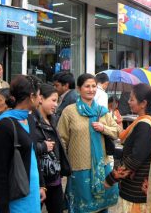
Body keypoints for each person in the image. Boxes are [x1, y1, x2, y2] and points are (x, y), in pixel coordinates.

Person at [0, 75, 46, 213]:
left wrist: (41, 185)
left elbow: (32, 155)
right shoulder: (5, 125)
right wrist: (4, 208)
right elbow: (0, 169)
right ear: (32, 96)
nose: (41, 100)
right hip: (14, 199)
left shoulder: (29, 118)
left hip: (30, 192)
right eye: (39, 95)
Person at [104, 83, 151, 212]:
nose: (129, 102)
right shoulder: (145, 121)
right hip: (137, 187)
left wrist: (111, 179)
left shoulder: (145, 126)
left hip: (136, 191)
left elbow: (135, 160)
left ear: (143, 103)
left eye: (132, 99)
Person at [58, 73, 121, 213]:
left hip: (101, 167)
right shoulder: (69, 112)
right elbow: (61, 140)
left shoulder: (102, 111)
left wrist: (103, 128)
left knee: (102, 207)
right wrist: (62, 165)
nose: (91, 89)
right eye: (87, 86)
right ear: (79, 89)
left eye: (93, 86)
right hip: (79, 168)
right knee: (80, 207)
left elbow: (118, 131)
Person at [32, 84, 71, 213]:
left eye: (57, 101)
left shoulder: (53, 119)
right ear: (41, 99)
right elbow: (27, 149)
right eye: (53, 100)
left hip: (54, 176)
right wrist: (42, 146)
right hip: (39, 179)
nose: (56, 105)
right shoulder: (31, 121)